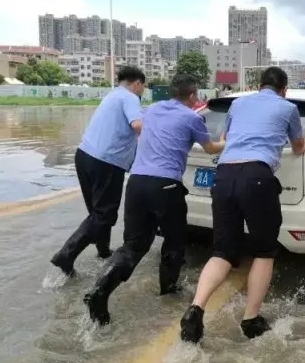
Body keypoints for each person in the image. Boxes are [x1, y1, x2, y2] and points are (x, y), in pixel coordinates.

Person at [179, 67, 305, 343]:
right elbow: (298, 146)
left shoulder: (237, 103)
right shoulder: (287, 108)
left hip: (224, 176)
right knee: (263, 252)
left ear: (259, 84)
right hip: (257, 178)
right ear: (283, 89)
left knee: (223, 251)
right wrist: (303, 143)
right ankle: (251, 319)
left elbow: (226, 138)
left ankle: (196, 307)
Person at [83, 75, 225, 325]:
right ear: (193, 96)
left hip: (136, 182)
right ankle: (168, 288)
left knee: (133, 245)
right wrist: (228, 139)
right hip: (166, 185)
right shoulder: (193, 117)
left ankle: (100, 290)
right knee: (175, 239)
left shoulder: (152, 109)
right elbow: (211, 148)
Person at [50, 67, 145, 276]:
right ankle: (66, 255)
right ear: (137, 83)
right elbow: (138, 125)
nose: (142, 91)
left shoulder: (112, 96)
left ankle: (103, 251)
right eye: (143, 87)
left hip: (84, 155)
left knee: (97, 211)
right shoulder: (130, 98)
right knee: (104, 214)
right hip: (107, 161)